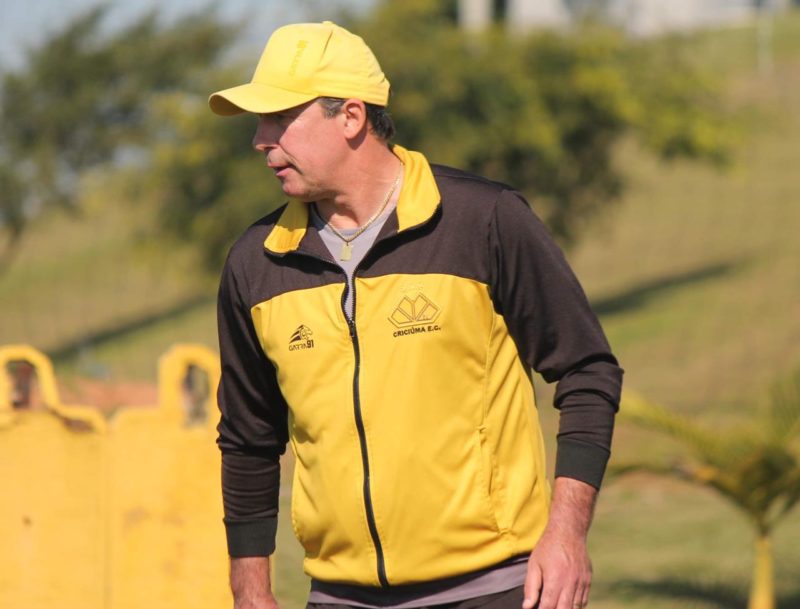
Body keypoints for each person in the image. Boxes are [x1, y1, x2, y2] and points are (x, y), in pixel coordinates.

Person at [209, 21, 623, 609]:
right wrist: (249, 591)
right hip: (337, 597)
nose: (260, 139)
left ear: (350, 117)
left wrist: (567, 534)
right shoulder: (256, 262)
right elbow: (249, 440)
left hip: (500, 589)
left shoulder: (484, 221)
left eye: (279, 118)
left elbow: (587, 372)